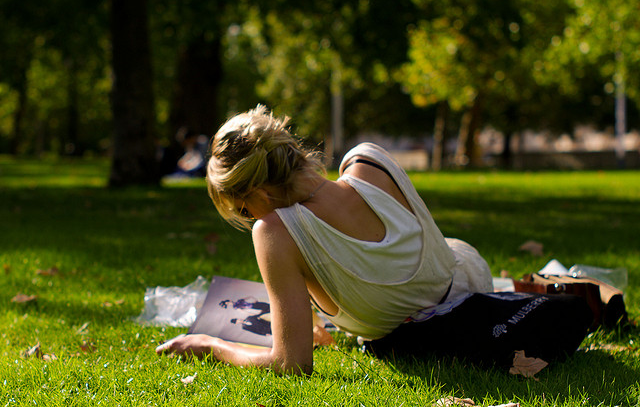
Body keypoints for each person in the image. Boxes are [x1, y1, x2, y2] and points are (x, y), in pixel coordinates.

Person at [156, 105, 591, 374]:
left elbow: (290, 364)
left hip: (421, 321)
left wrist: (211, 345)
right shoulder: (368, 160)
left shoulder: (274, 232)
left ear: (257, 191)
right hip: (465, 277)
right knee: (457, 256)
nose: (249, 217)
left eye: (243, 208)